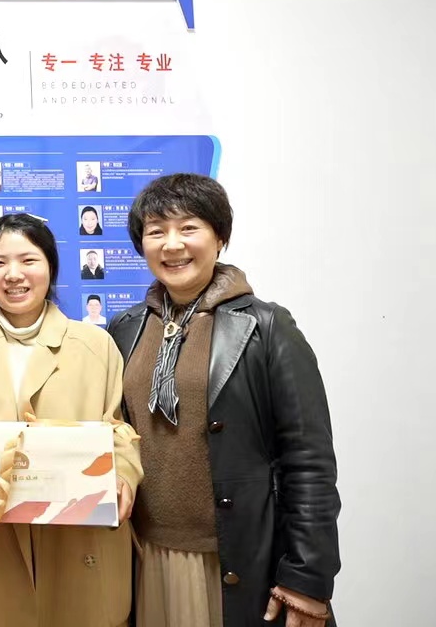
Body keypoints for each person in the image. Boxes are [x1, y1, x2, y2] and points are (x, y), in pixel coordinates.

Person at [107, 173, 341, 627]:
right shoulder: (126, 328)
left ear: (220, 238)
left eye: (188, 228)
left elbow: (308, 460)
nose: (172, 244)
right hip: (145, 555)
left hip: (234, 560)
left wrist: (307, 576)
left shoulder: (265, 327)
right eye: (156, 231)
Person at [0, 214, 141, 626]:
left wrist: (125, 474)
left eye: (28, 260)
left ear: (51, 267)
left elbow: (120, 426)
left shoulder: (95, 344)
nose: (14, 275)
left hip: (79, 541)